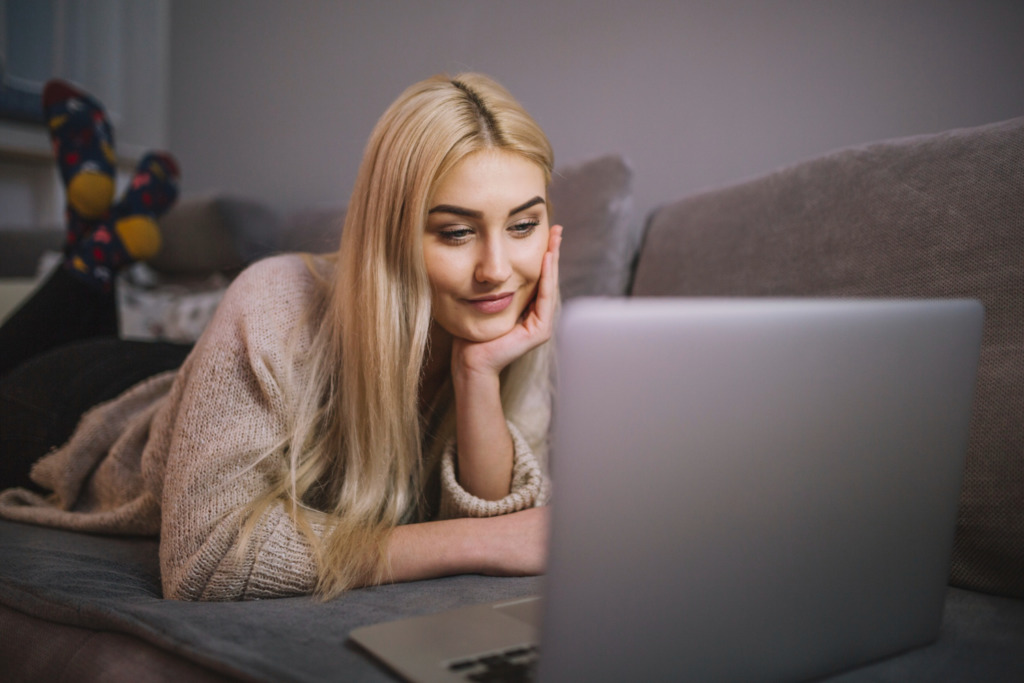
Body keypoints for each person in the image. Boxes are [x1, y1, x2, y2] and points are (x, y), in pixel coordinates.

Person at [0, 73, 563, 601]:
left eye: (522, 225)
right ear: (390, 238)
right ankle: (92, 257)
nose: (496, 269)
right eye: (457, 232)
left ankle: (95, 241)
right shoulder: (274, 298)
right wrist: (471, 544)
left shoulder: (518, 324)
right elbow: (204, 557)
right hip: (75, 403)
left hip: (196, 374)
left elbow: (501, 537)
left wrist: (477, 374)